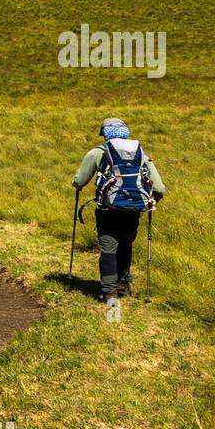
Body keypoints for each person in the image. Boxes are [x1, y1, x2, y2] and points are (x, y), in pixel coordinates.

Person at [72, 118, 166, 307]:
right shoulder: (141, 154)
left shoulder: (98, 153)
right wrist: (149, 202)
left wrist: (78, 184)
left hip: (107, 210)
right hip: (133, 211)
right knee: (125, 245)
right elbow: (160, 188)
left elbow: (79, 181)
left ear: (105, 134)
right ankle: (124, 284)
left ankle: (109, 293)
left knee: (108, 249)